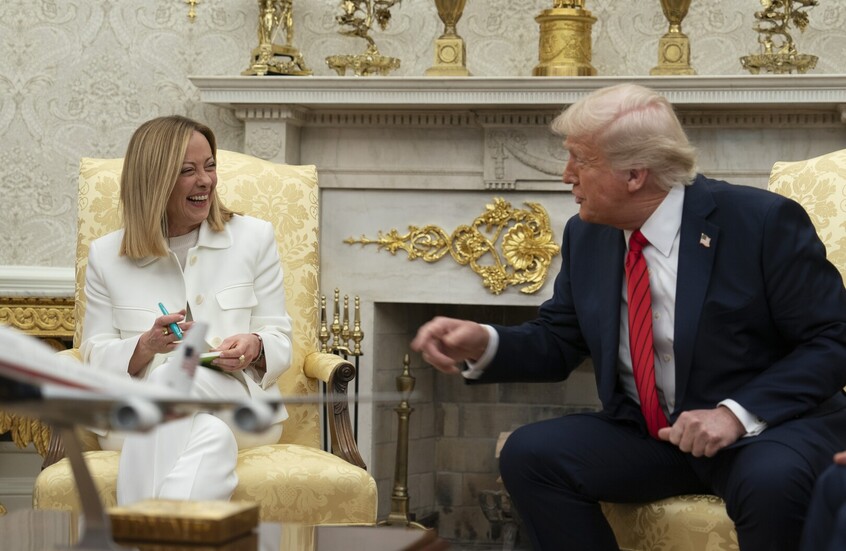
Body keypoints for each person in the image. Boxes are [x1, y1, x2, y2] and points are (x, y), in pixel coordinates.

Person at [411, 83, 846, 551]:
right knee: (530, 455)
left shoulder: (760, 222)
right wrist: (484, 342)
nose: (566, 175)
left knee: (773, 482)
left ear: (635, 174)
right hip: (653, 436)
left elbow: (832, 339)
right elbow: (559, 340)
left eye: (580, 159)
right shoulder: (587, 234)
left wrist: (734, 415)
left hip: (764, 432)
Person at [80, 115, 293, 504]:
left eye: (210, 166)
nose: (206, 180)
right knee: (210, 438)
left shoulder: (253, 238)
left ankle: (130, 529)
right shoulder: (107, 255)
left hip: (237, 403)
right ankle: (161, 532)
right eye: (188, 171)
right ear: (155, 180)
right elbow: (93, 357)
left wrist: (254, 346)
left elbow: (279, 336)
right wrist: (145, 346)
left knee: (179, 376)